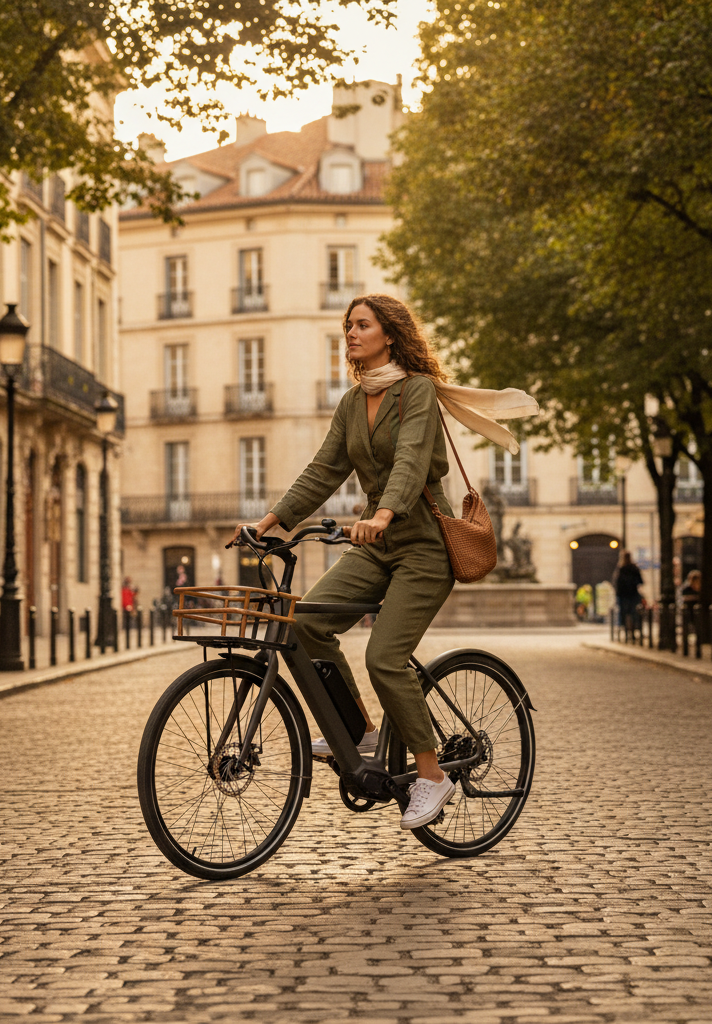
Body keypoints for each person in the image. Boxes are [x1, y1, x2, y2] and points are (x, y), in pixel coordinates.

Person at [230, 293, 537, 830]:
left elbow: (413, 459)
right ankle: (362, 733)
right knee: (306, 623)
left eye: (363, 325)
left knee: (384, 658)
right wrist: (269, 521)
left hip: (423, 544)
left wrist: (385, 512)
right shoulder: (353, 402)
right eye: (348, 326)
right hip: (377, 543)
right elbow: (324, 469)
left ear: (389, 334)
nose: (351, 333)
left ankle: (432, 775)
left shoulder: (416, 392)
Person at [613, 551, 643, 634]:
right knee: (634, 612)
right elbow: (641, 581)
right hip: (633, 594)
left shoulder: (621, 569)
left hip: (623, 595)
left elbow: (617, 582)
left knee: (623, 612)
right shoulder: (634, 568)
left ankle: (625, 629)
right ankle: (635, 628)